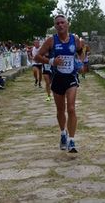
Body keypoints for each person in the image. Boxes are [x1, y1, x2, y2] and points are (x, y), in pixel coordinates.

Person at [35, 14, 83, 153]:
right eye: (57, 23)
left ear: (67, 24)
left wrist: (79, 61)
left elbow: (81, 51)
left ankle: (72, 141)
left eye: (63, 22)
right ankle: (63, 133)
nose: (60, 25)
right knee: (60, 110)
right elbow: (37, 56)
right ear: (55, 26)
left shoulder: (74, 39)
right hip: (57, 79)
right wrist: (51, 61)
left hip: (71, 78)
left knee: (72, 108)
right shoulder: (51, 41)